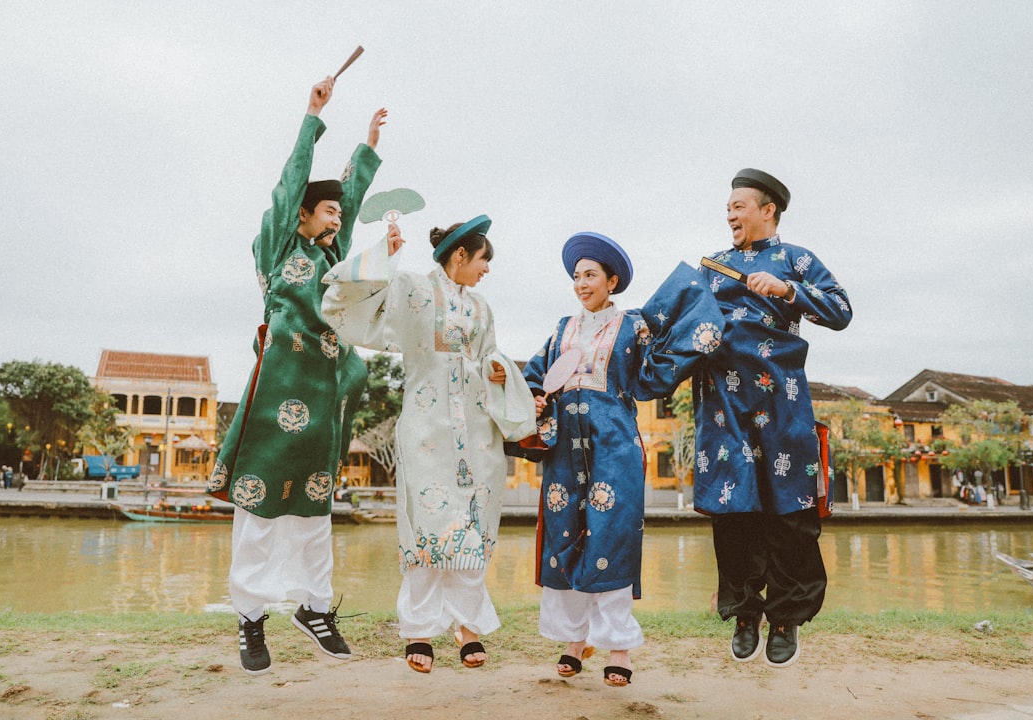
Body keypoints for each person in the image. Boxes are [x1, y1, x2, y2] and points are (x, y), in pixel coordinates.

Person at [207, 74, 387, 675]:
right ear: (303, 215)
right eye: (327, 210)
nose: (339, 219)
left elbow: (352, 205)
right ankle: (250, 620)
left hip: (326, 392)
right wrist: (312, 118)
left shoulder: (333, 262)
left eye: (340, 212)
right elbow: (290, 188)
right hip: (279, 391)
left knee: (314, 510)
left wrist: (366, 149)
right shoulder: (278, 243)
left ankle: (313, 609)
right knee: (258, 509)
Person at [321, 215, 536, 674]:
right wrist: (386, 252)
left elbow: (488, 355)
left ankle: (468, 628)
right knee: (427, 526)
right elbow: (351, 295)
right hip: (426, 428)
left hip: (477, 432)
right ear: (460, 255)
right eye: (483, 260)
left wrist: (496, 369)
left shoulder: (482, 307)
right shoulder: (413, 291)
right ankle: (419, 631)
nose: (486, 270)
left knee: (473, 527)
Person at [522, 232, 724, 687]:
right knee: (565, 538)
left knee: (610, 540)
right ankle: (574, 641)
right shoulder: (560, 328)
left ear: (612, 281)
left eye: (590, 275)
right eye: (576, 276)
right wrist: (534, 399)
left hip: (613, 447)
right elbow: (535, 378)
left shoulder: (634, 327)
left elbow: (655, 373)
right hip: (565, 452)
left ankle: (618, 648)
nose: (581, 283)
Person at [690, 168, 852, 668]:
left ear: (767, 211)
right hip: (723, 408)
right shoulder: (712, 265)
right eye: (728, 206)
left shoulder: (796, 259)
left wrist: (787, 291)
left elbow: (841, 310)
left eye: (739, 206)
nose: (730, 213)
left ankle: (785, 618)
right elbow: (679, 322)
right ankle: (745, 612)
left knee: (788, 510)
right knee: (732, 507)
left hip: (779, 401)